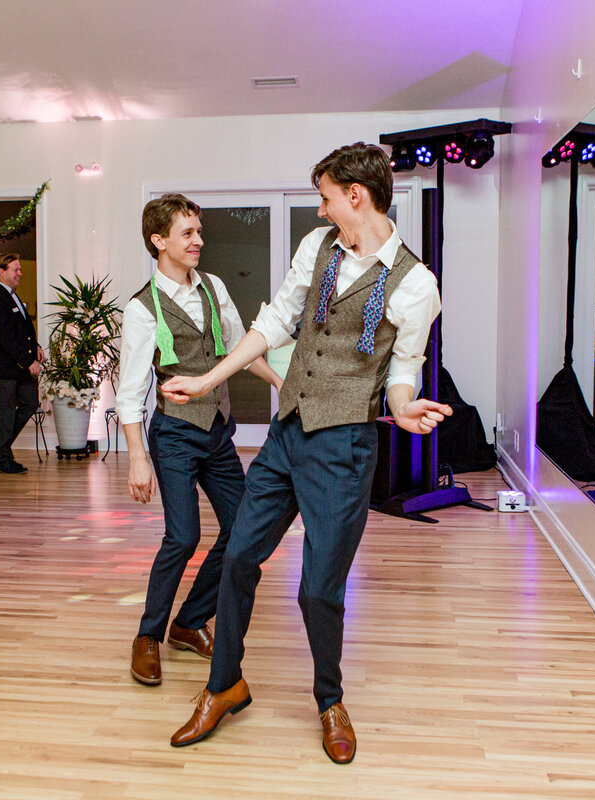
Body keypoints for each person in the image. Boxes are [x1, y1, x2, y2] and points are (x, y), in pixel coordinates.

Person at [162, 143, 451, 764]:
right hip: (287, 435)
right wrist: (211, 381)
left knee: (318, 589)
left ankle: (329, 700)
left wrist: (402, 408)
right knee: (238, 557)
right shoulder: (315, 250)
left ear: (356, 195)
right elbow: (274, 324)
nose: (320, 211)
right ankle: (224, 685)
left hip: (344, 448)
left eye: (325, 198)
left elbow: (403, 370)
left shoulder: (416, 284)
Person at [123, 193, 283, 686]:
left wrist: (284, 385)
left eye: (199, 231)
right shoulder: (142, 308)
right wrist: (137, 459)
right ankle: (148, 635)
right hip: (173, 434)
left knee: (243, 532)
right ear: (159, 240)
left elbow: (241, 349)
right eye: (188, 233)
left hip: (217, 434)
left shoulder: (213, 286)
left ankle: (189, 622)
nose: (199, 240)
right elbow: (131, 392)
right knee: (184, 536)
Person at [0, 253, 43, 474]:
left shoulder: (11, 296)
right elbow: (5, 337)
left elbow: (22, 329)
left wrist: (35, 347)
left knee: (31, 402)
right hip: (3, 367)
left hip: (16, 365)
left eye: (19, 269)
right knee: (6, 410)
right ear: (2, 272)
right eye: (15, 270)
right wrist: (29, 362)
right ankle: (3, 458)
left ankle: (0, 447)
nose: (20, 273)